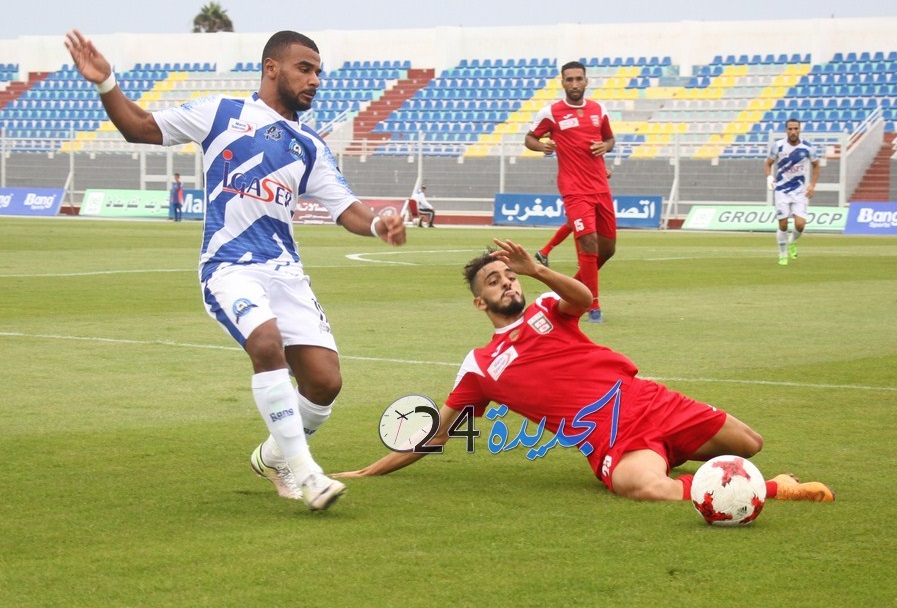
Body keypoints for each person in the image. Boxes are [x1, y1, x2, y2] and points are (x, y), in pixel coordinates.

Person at [65, 29, 406, 511]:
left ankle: (273, 456)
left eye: (318, 72)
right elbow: (140, 126)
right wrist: (106, 83)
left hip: (285, 271)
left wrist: (378, 225)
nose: (315, 80)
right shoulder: (221, 113)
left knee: (325, 383)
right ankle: (306, 472)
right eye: (304, 69)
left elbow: (347, 208)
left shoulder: (310, 144)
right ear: (271, 67)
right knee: (266, 344)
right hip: (228, 265)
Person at [337, 238, 835, 505]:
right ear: (478, 301)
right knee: (646, 489)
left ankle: (675, 453)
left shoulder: (547, 307)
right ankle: (776, 488)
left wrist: (537, 270)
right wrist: (367, 470)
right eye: (495, 281)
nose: (507, 284)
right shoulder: (480, 367)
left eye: (509, 276)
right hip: (613, 441)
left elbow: (584, 297)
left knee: (750, 444)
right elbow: (439, 435)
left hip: (647, 401)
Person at [525, 61, 616, 323]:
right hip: (574, 190)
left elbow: (610, 139)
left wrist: (605, 146)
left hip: (600, 187)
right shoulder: (551, 112)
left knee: (607, 251)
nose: (574, 84)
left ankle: (568, 291)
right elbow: (530, 138)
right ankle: (593, 306)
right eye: (569, 79)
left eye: (578, 79)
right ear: (562, 82)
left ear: (586, 81)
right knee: (588, 242)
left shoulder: (599, 110)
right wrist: (542, 146)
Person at [765, 118, 820, 266]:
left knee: (800, 225)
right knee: (783, 225)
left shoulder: (808, 148)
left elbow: (816, 166)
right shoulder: (778, 146)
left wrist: (812, 185)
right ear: (786, 130)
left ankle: (792, 241)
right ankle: (782, 255)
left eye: (796, 129)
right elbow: (768, 163)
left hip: (799, 190)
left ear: (799, 129)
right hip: (781, 190)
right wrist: (769, 177)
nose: (793, 132)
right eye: (790, 129)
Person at [534, 168, 612, 268]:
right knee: (575, 224)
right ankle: (546, 252)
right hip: (576, 190)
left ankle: (545, 252)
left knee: (575, 225)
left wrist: (600, 170)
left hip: (581, 189)